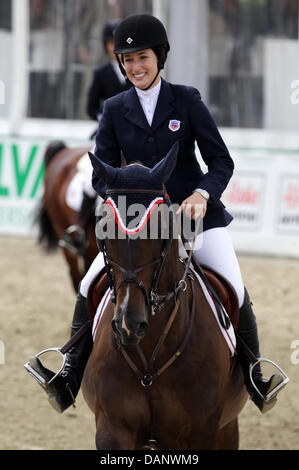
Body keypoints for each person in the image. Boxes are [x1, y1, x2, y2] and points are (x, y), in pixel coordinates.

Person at [25, 13, 287, 414]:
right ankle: (70, 374)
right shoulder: (114, 109)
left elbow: (221, 162)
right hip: (136, 223)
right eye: (126, 59)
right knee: (89, 285)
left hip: (193, 217)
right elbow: (101, 174)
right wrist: (121, 194)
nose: (134, 67)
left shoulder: (187, 100)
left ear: (159, 57)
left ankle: (254, 374)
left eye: (141, 57)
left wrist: (201, 193)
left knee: (234, 287)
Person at [61, 19, 131, 255]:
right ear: (106, 45)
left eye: (118, 43)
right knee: (87, 179)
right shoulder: (101, 74)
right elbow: (91, 106)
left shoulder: (137, 70)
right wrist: (105, 118)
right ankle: (80, 230)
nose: (115, 48)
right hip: (107, 135)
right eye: (111, 43)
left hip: (135, 136)